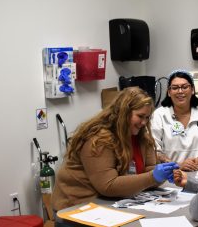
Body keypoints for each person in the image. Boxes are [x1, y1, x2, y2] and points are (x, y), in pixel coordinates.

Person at [51, 87, 179, 214]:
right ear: (123, 113)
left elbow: (147, 170)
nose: (144, 122)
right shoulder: (99, 140)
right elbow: (108, 185)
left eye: (147, 117)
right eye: (140, 116)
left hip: (110, 203)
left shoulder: (141, 137)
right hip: (77, 207)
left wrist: (164, 173)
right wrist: (153, 177)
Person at [150, 69, 198, 171]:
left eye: (185, 87)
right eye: (175, 88)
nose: (180, 91)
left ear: (192, 90)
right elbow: (153, 151)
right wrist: (177, 165)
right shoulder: (159, 116)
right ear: (169, 92)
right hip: (169, 174)